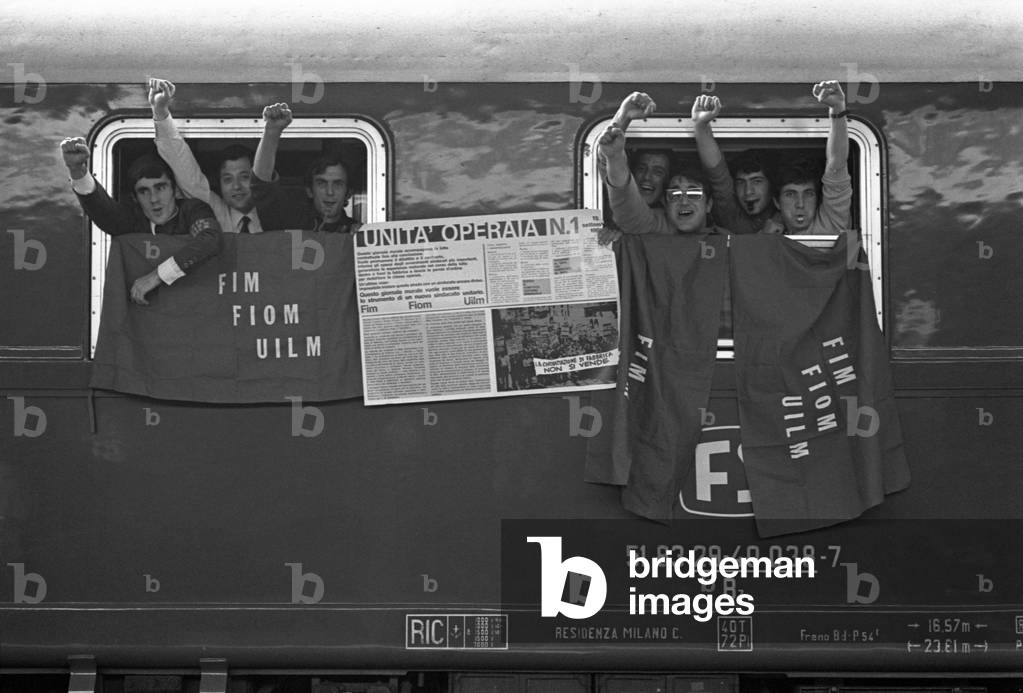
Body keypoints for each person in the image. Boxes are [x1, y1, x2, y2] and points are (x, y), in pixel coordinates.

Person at [60, 137, 221, 305]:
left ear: (175, 189)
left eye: (160, 187)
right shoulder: (133, 220)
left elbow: (210, 239)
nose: (154, 199)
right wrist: (77, 170)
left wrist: (157, 276)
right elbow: (104, 212)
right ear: (135, 198)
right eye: (144, 191)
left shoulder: (192, 210)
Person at [148, 78, 264, 235]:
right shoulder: (215, 211)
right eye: (228, 179)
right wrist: (160, 111)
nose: (236, 186)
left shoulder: (274, 214)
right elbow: (185, 170)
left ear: (256, 180)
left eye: (244, 177)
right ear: (219, 183)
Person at [597, 125, 725, 237]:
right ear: (664, 202)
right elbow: (627, 207)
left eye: (694, 194)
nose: (684, 202)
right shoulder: (658, 226)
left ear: (709, 205)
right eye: (675, 195)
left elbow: (720, 178)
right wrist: (614, 157)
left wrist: (701, 126)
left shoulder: (727, 238)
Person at [251, 103, 360, 233]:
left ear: (348, 193)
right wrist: (272, 131)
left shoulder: (360, 233)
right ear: (309, 190)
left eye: (337, 184)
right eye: (321, 183)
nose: (329, 192)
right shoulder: (288, 223)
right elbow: (261, 188)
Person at [691, 94, 781, 234]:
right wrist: (701, 125)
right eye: (740, 182)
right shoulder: (730, 214)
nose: (748, 191)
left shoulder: (788, 212)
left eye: (756, 181)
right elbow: (717, 176)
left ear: (772, 186)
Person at [772, 80, 852, 235]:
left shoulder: (830, 224)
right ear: (776, 202)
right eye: (790, 194)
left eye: (809, 194)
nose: (800, 204)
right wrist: (765, 240)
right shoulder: (768, 236)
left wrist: (837, 109)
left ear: (818, 199)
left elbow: (836, 164)